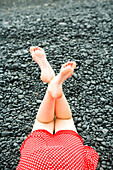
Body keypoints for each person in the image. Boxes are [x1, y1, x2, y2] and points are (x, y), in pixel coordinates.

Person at [16, 46, 99, 170]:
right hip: (34, 163)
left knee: (64, 119)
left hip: (69, 162)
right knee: (43, 122)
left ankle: (54, 82)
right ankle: (52, 84)